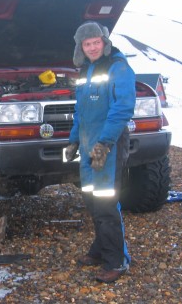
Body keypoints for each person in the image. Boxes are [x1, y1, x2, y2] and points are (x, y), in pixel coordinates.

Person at [65, 21, 136, 283]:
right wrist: (74, 140)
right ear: (80, 47)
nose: (92, 47)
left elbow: (123, 107)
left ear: (104, 42)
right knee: (92, 200)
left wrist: (105, 143)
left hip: (108, 146)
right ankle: (100, 249)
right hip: (86, 146)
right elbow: (80, 111)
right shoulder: (86, 69)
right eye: (87, 44)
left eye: (96, 42)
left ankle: (117, 261)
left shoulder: (118, 66)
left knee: (106, 203)